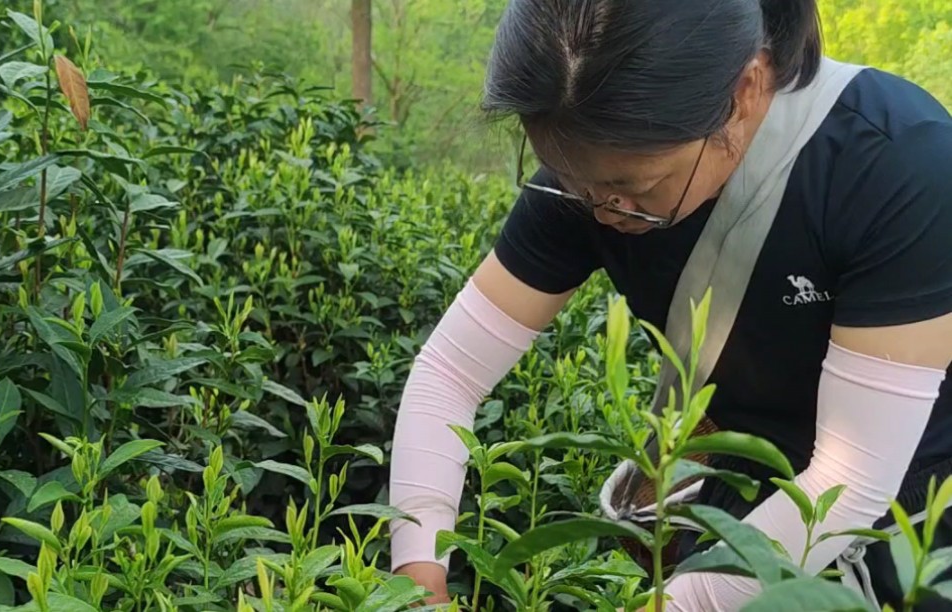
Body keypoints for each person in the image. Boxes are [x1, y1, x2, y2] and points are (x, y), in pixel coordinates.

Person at [387, 0, 952, 610]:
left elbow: (852, 478)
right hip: (743, 502)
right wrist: (417, 584)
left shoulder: (897, 164)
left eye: (634, 190)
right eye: (575, 184)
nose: (603, 212)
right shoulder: (591, 161)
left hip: (909, 526)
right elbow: (449, 376)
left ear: (745, 92)